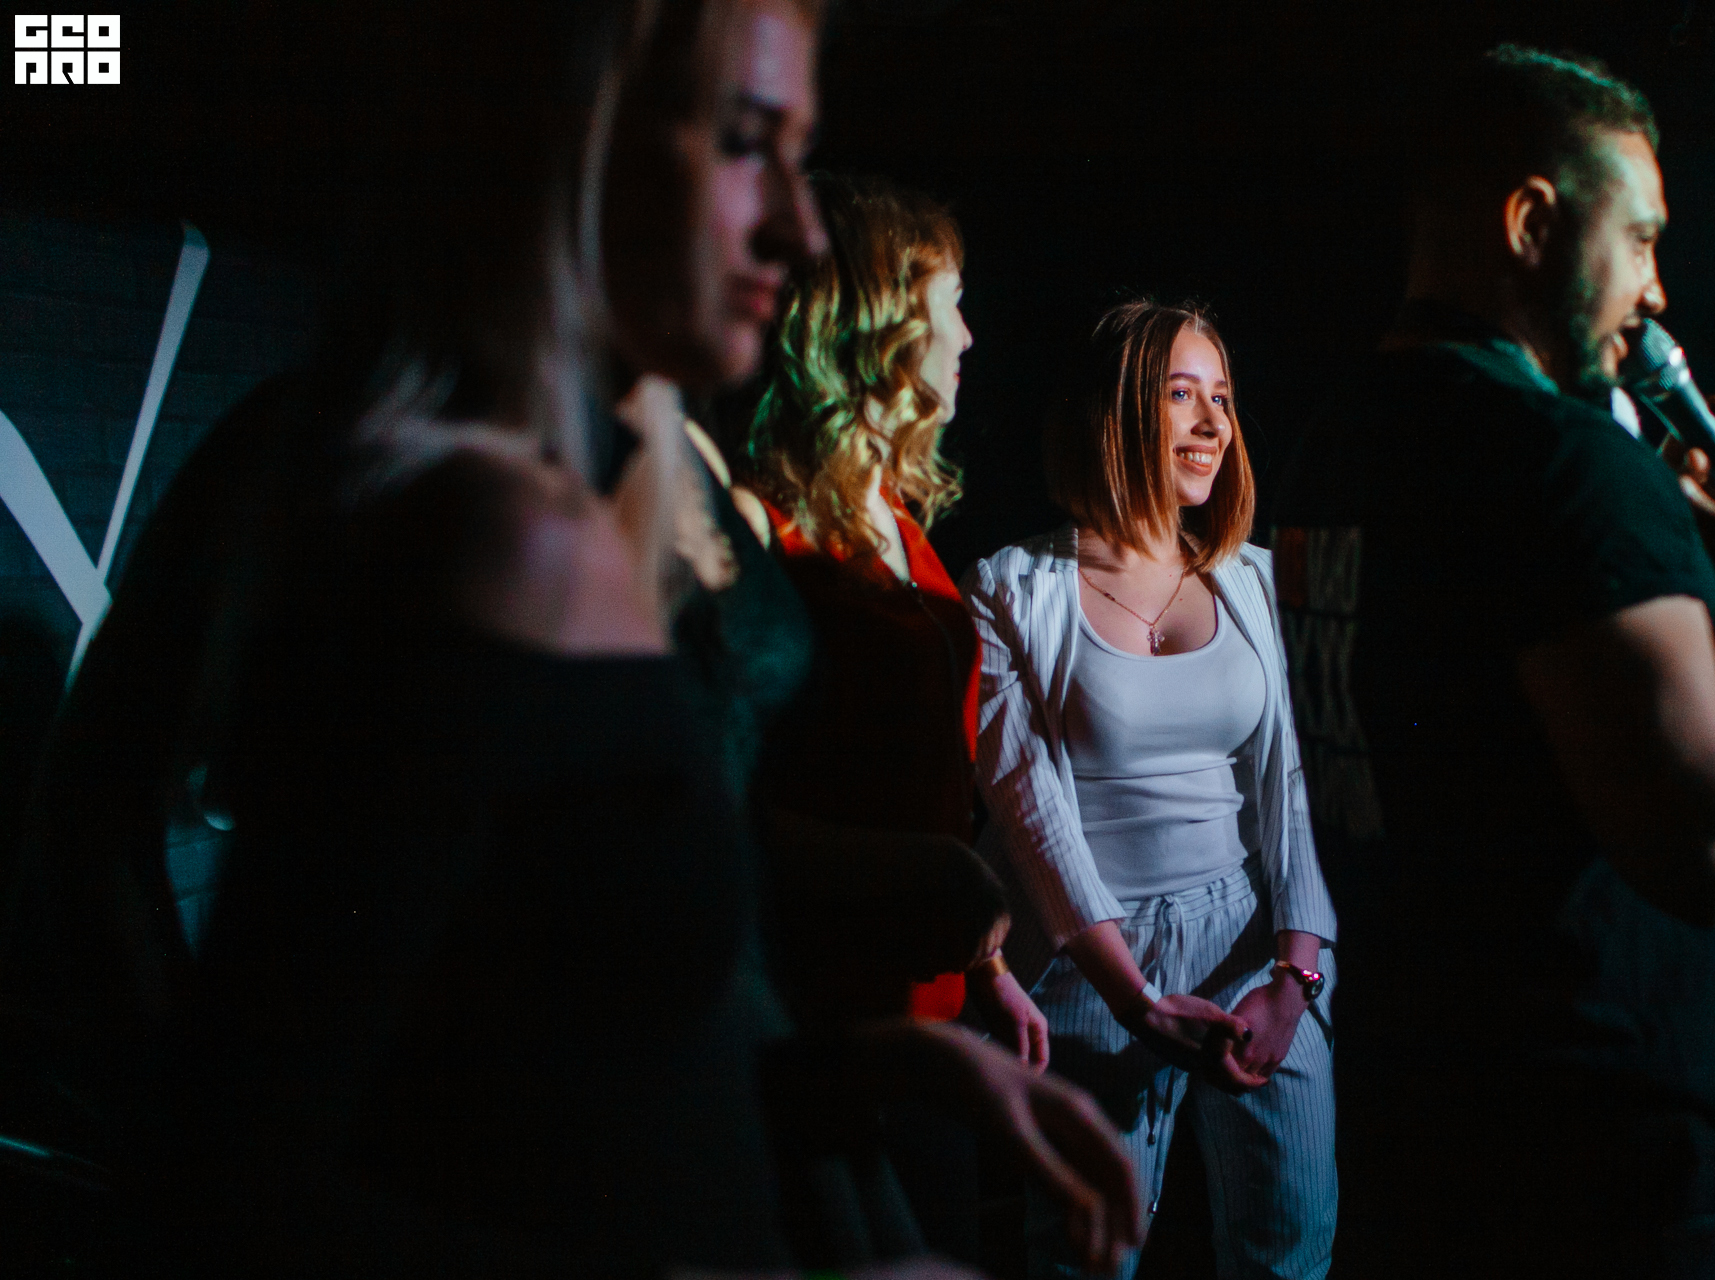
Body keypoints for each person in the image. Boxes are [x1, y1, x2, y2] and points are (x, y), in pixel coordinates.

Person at [9, 3, 1142, 1276]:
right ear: (572, 140)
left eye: (797, 151)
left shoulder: (655, 478)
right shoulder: (462, 524)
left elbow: (606, 995)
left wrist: (864, 1065)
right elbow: (247, 1164)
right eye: (742, 142)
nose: (800, 225)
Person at [1276, 45, 1715, 1280]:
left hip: (1423, 1144)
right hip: (1606, 1178)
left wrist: (1656, 519)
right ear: (1530, 224)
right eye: (1641, 240)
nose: (1657, 290)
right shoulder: (1565, 472)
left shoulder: (1339, 438)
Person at [966, 300, 1339, 1280]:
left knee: (1289, 1250)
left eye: (1224, 398)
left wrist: (1295, 979)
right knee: (1084, 1256)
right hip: (1095, 963)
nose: (1214, 423)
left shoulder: (1256, 579)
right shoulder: (1012, 588)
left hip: (1258, 957)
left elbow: (1295, 790)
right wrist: (1133, 1001)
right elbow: (1029, 809)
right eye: (1183, 394)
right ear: (1118, 407)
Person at [737, 172, 1043, 1266]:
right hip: (820, 1018)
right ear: (879, 322)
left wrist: (987, 969)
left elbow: (919, 771)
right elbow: (722, 809)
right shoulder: (759, 525)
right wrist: (918, 873)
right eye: (951, 303)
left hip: (931, 1008)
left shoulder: (900, 518)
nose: (968, 336)